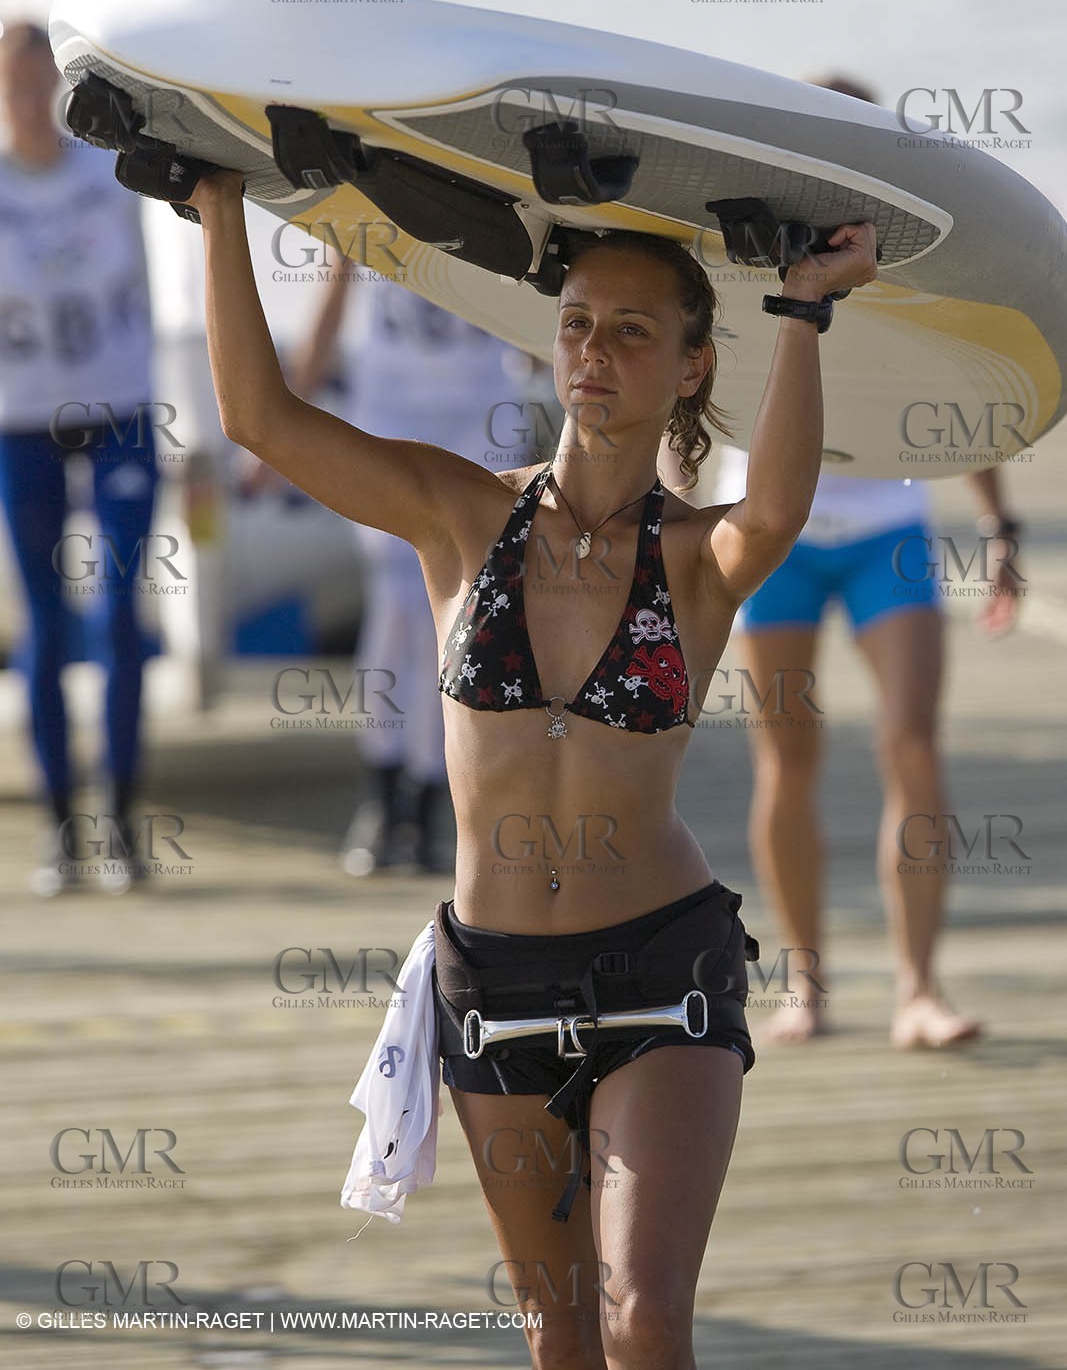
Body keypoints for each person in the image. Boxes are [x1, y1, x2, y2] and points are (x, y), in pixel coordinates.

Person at [180, 159, 876, 1368]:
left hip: (661, 966)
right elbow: (259, 417)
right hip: (493, 983)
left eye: (629, 331)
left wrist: (803, 309)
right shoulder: (459, 515)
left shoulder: (700, 556)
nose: (592, 351)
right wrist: (222, 205)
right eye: (573, 325)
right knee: (554, 1329)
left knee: (640, 1316)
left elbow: (776, 510)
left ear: (689, 365)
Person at [709, 75, 1022, 1049]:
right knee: (786, 761)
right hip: (774, 536)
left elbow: (954, 402)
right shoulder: (743, 251)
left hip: (887, 528)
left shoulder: (903, 267)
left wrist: (998, 529)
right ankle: (806, 985)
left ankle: (916, 990)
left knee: (911, 745)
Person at [276, 256, 531, 874]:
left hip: (478, 425)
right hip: (390, 421)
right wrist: (289, 416)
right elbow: (334, 300)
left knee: (460, 625)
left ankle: (425, 800)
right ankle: (382, 794)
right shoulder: (370, 194)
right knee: (395, 619)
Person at [0, 20, 158, 897]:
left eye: (40, 83)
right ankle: (63, 829)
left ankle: (127, 822)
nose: (28, 101)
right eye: (13, 86)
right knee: (44, 622)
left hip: (119, 411)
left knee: (121, 611)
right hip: (21, 421)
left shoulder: (106, 168)